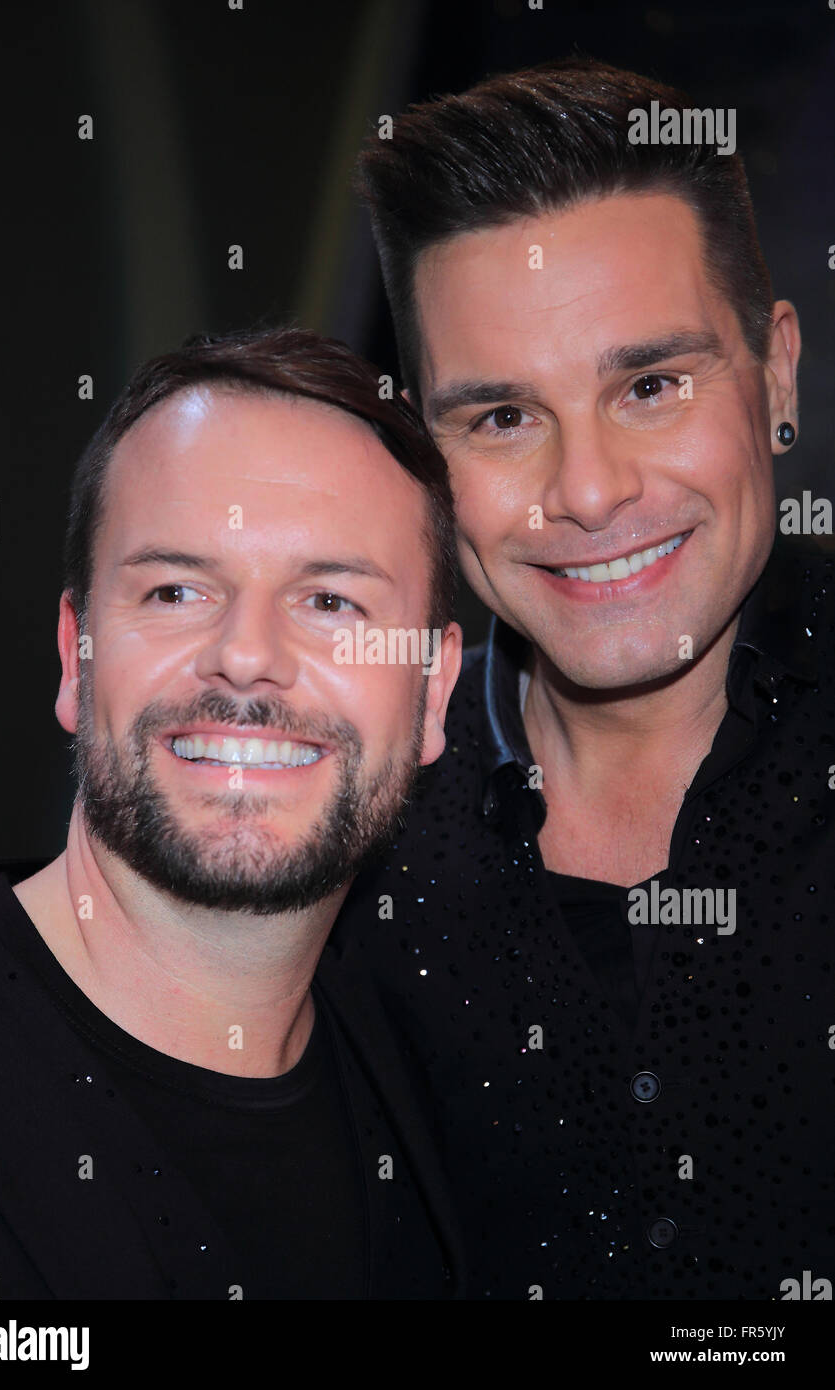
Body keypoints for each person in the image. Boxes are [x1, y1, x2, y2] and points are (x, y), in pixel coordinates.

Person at [335, 57, 835, 1299]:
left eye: (650, 385)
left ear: (775, 375)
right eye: (502, 417)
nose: (593, 489)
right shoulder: (344, 811)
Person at [0, 326, 464, 1300]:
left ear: (433, 692)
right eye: (177, 589)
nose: (246, 654)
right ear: (76, 653)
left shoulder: (445, 1100)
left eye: (333, 602)